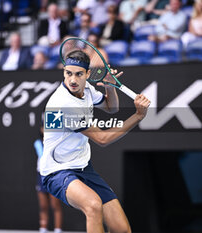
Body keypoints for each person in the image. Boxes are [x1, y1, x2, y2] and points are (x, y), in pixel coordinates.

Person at [40, 50, 150, 233]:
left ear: (88, 74)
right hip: (56, 171)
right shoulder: (63, 104)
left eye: (78, 74)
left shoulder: (87, 89)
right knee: (92, 205)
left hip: (83, 167)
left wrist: (109, 87)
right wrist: (138, 116)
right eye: (68, 73)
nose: (73, 80)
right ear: (63, 72)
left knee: (121, 229)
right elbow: (102, 138)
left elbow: (111, 108)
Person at [34, 127, 63, 233]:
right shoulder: (38, 143)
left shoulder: (56, 142)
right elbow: (43, 155)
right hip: (41, 175)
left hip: (53, 174)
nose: (44, 129)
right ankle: (43, 229)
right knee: (43, 206)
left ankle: (58, 230)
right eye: (43, 127)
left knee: (55, 205)